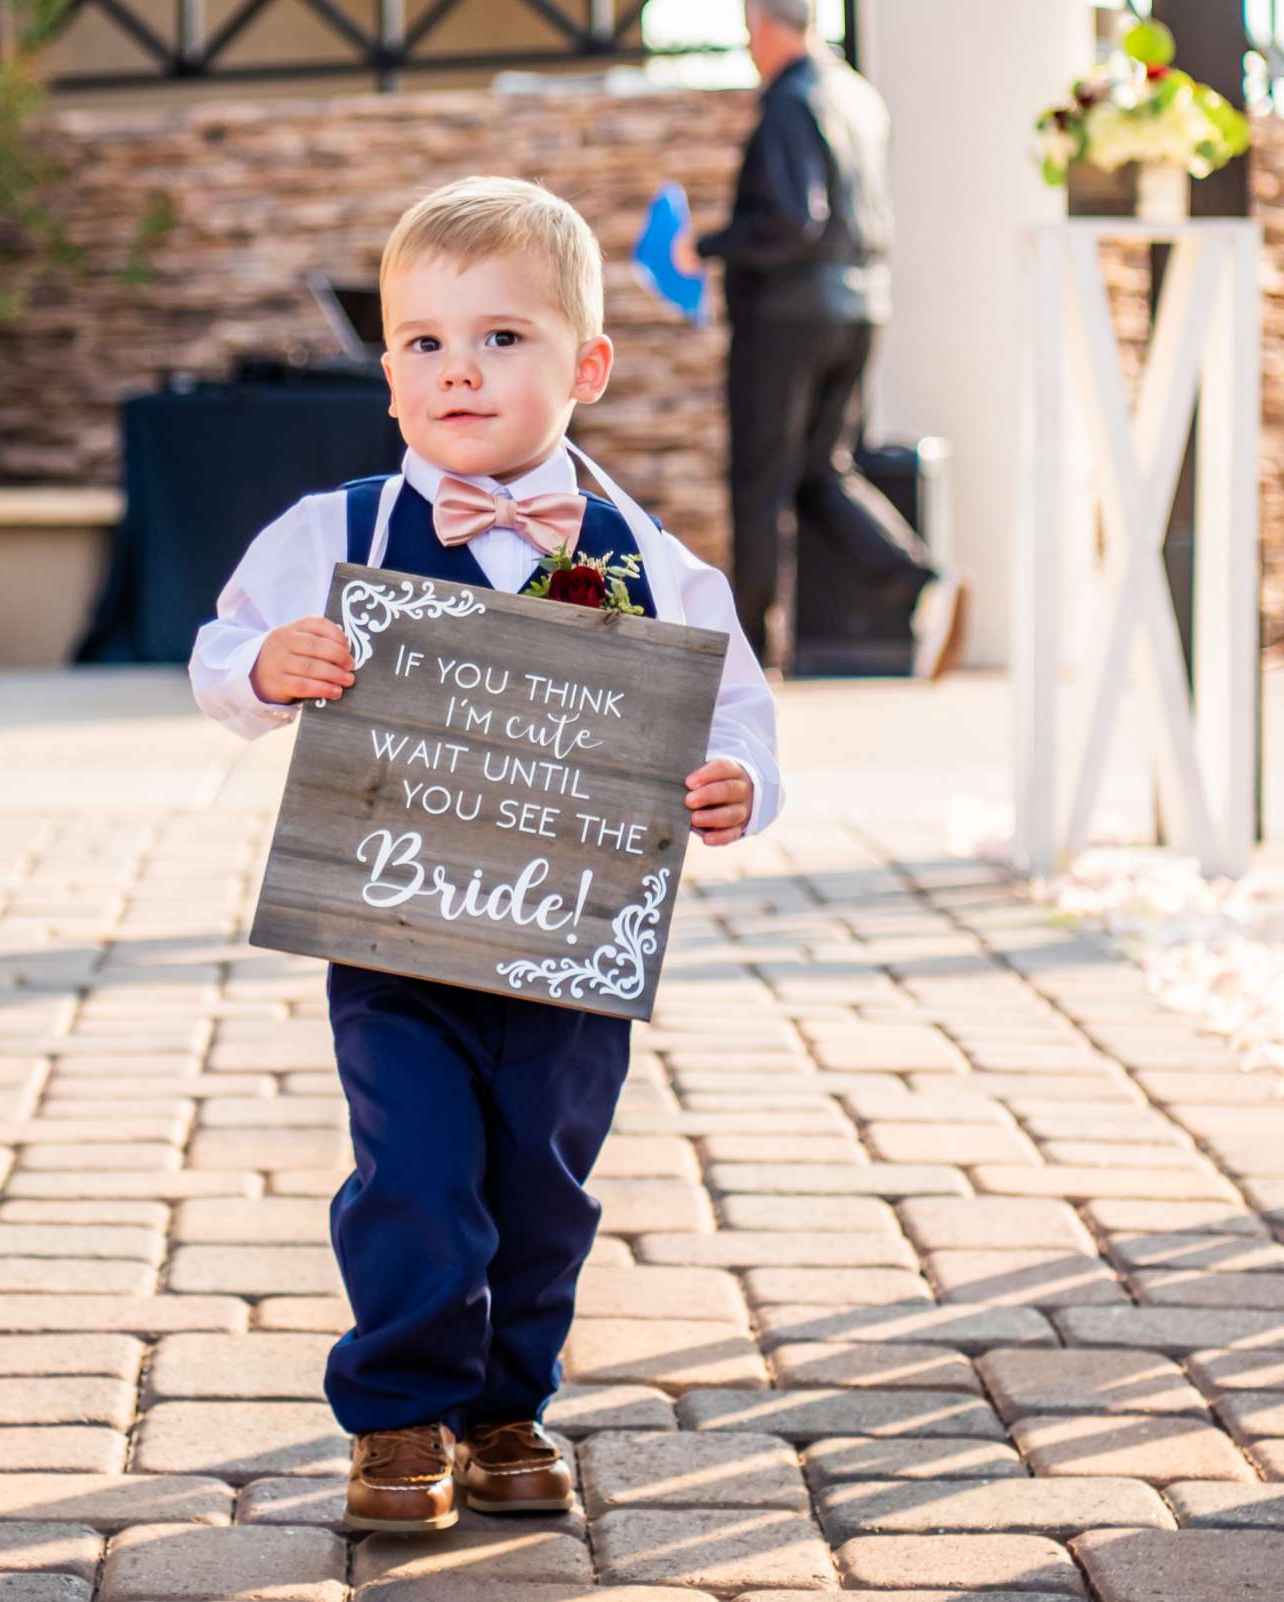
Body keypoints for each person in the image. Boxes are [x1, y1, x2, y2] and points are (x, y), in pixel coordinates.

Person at [189, 176, 782, 1531]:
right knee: (411, 1175)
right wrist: (270, 666)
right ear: (389, 372)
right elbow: (219, 656)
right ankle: (402, 1413)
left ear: (587, 365)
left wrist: (740, 782)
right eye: (424, 342)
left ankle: (509, 1401)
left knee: (543, 1186)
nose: (459, 370)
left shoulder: (656, 566)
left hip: (572, 949)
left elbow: (738, 712)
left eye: (502, 338)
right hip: (396, 931)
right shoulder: (335, 534)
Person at [683, 0, 966, 678]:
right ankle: (923, 583)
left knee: (760, 482)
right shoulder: (857, 95)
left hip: (788, 318)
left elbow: (791, 221)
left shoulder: (790, 103)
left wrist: (708, 245)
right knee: (820, 472)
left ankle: (746, 657)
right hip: (860, 309)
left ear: (762, 27)